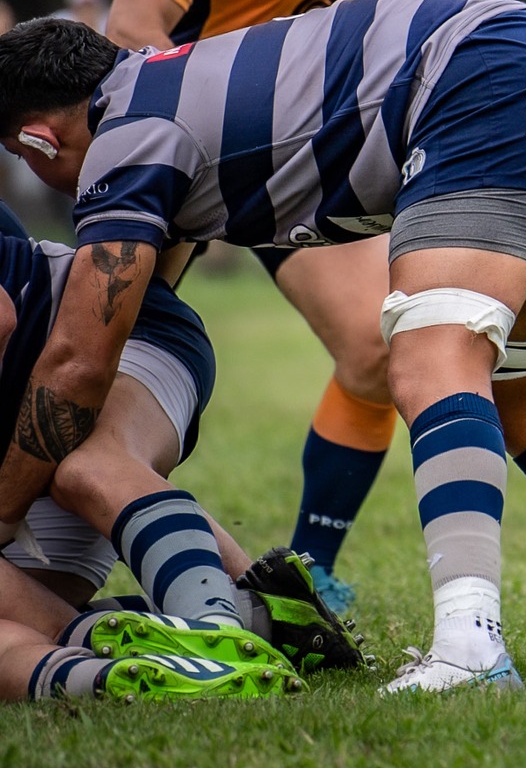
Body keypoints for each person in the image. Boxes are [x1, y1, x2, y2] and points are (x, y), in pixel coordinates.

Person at [0, 0, 526, 693]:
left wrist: (3, 514)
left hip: (480, 75)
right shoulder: (156, 91)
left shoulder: (124, 141)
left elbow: (80, 362)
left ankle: (472, 646)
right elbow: (140, 311)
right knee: (520, 388)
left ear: (35, 141)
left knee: (433, 364)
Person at [104, 0, 443, 617]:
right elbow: (131, 32)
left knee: (382, 346)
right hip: (188, 155)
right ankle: (79, 533)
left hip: (311, 169)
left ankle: (306, 568)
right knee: (95, 361)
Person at [0, 208, 360, 699]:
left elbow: (4, 315)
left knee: (93, 464)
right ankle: (239, 625)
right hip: (46, 387)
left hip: (107, 331)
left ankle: (215, 632)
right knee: (31, 598)